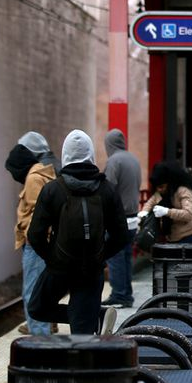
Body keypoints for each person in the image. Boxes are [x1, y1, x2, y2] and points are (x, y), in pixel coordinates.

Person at [27, 130, 127, 335]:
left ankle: (91, 316)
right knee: (83, 331)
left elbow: (35, 235)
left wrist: (52, 258)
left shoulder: (53, 189)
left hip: (60, 268)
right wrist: (101, 256)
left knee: (37, 308)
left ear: (65, 155)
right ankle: (92, 316)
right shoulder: (106, 189)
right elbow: (121, 235)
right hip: (91, 269)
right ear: (90, 154)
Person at [4, 132, 58, 335]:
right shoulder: (43, 171)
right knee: (40, 291)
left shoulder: (34, 177)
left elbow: (37, 213)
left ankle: (38, 340)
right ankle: (42, 331)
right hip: (39, 243)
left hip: (35, 245)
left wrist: (30, 235)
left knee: (31, 293)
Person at [102, 129, 142, 308]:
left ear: (109, 144)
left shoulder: (114, 161)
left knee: (115, 257)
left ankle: (119, 294)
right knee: (126, 257)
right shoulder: (133, 159)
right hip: (133, 217)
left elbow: (108, 189)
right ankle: (127, 293)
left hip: (118, 217)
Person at [140, 161, 192, 244]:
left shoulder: (183, 191)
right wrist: (144, 212)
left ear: (169, 183)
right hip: (171, 237)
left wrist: (167, 212)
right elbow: (151, 201)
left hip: (187, 237)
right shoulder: (163, 192)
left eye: (161, 187)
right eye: (157, 187)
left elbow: (189, 214)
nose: (159, 190)